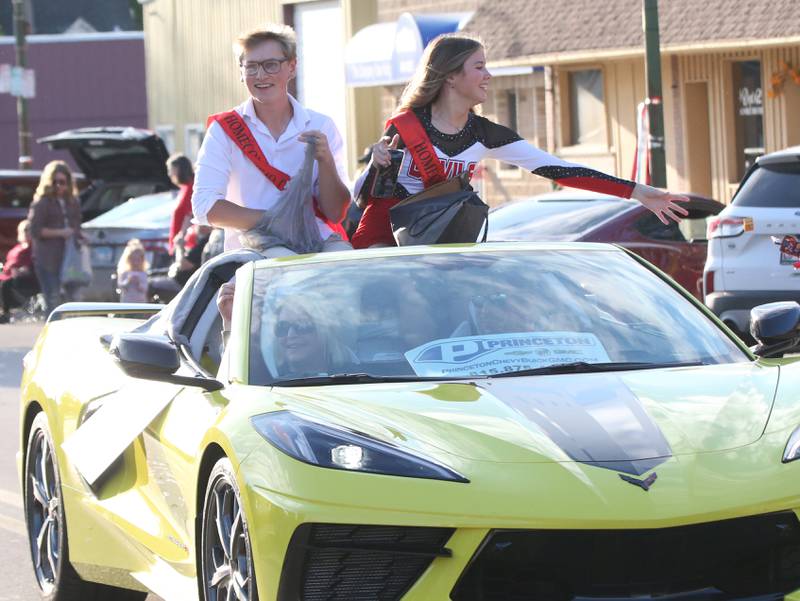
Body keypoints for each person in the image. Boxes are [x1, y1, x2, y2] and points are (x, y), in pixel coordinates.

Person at [351, 33, 689, 249]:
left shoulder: (485, 134)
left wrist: (636, 191)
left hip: (440, 244)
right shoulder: (405, 127)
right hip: (386, 241)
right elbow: (360, 195)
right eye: (479, 67)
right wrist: (374, 164)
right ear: (451, 76)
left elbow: (559, 170)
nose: (489, 76)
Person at [192, 23, 352, 256]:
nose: (261, 75)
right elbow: (204, 207)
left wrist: (326, 163)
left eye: (271, 65)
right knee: (286, 269)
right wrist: (275, 221)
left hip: (315, 238)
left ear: (292, 67)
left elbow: (336, 213)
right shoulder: (223, 130)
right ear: (240, 71)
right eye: (251, 67)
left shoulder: (321, 125)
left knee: (348, 266)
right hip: (251, 246)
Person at [27, 161, 83, 314]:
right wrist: (60, 232)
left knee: (73, 299)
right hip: (48, 259)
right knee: (53, 299)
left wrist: (81, 236)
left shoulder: (73, 202)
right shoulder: (42, 203)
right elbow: (34, 230)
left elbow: (77, 226)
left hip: (70, 258)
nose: (59, 186)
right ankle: (51, 333)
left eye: (62, 182)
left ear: (69, 183)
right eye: (55, 182)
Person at [0, 220, 39, 323]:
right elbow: (6, 265)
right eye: (24, 230)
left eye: (29, 230)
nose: (26, 232)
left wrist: (24, 270)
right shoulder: (16, 248)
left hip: (27, 278)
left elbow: (36, 264)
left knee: (5, 284)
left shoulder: (35, 248)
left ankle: (5, 313)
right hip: (7, 274)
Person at [166, 154, 195, 256]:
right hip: (178, 243)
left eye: (171, 170)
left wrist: (181, 236)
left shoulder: (191, 187)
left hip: (185, 245)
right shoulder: (184, 188)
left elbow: (190, 215)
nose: (169, 174)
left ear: (178, 169)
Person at [116, 239, 149, 303]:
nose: (135, 263)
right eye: (133, 259)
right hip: (127, 302)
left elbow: (145, 289)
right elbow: (121, 286)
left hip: (140, 303)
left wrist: (138, 283)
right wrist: (128, 280)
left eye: (138, 260)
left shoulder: (143, 273)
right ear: (128, 259)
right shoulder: (124, 272)